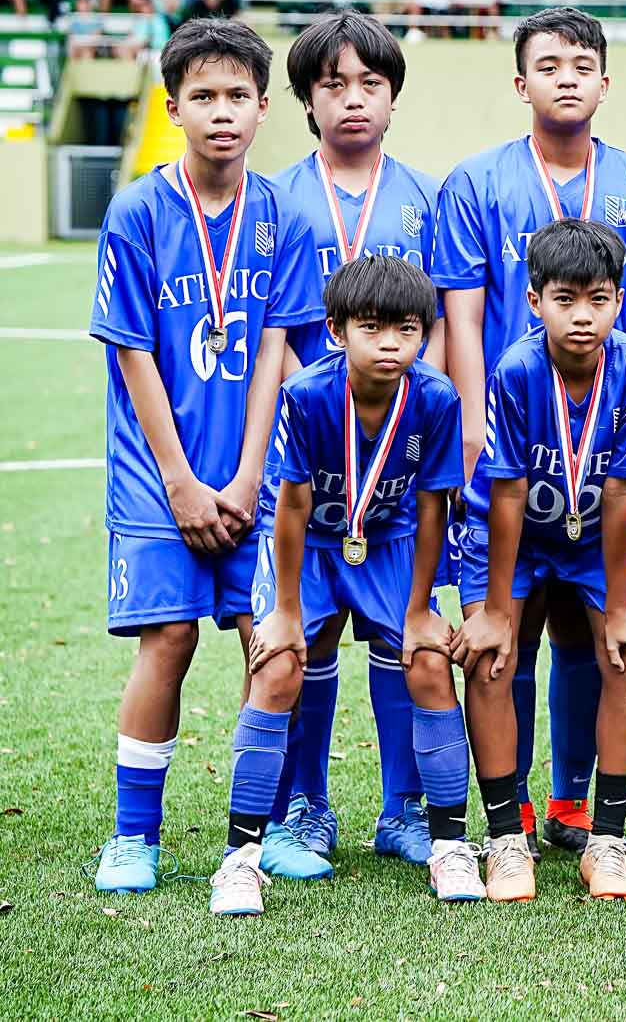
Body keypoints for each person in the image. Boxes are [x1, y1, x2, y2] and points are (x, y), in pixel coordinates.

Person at [89, 19, 323, 896]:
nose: (220, 113)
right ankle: (133, 835)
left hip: (253, 478)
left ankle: (260, 833)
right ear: (173, 106)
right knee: (169, 638)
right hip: (158, 478)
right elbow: (133, 351)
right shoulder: (138, 210)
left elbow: (272, 349)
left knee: (272, 647)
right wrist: (185, 482)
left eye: (237, 97)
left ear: (265, 108)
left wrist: (251, 476)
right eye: (203, 97)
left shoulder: (283, 217)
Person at [433, 6, 626, 858]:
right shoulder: (475, 181)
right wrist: (468, 424)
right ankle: (510, 818)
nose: (566, 76)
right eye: (548, 63)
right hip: (507, 438)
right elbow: (461, 311)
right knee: (508, 632)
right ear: (520, 80)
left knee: (587, 627)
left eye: (582, 64)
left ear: (606, 81)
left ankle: (574, 802)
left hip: (600, 437)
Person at [238, 255, 477, 911]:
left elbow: (434, 505)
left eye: (407, 328)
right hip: (310, 544)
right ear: (337, 330)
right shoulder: (308, 395)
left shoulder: (436, 397)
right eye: (372, 328)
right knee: (282, 663)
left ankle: (419, 822)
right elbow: (288, 505)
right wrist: (285, 609)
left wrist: (424, 606)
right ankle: (281, 826)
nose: (392, 344)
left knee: (427, 659)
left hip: (391, 538)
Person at [268, 11, 445, 864]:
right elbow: (273, 335)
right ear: (305, 99)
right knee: (313, 633)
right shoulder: (276, 200)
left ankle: (404, 808)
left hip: (399, 469)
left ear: (394, 97)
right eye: (332, 84)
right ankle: (305, 805)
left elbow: (439, 326)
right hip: (309, 455)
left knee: (401, 632)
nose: (352, 99)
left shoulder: (424, 198)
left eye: (370, 83)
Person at [447, 220, 626, 901]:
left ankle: (607, 840)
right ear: (533, 299)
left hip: (598, 535)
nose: (582, 315)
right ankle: (507, 837)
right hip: (509, 533)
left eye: (597, 299)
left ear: (620, 300)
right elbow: (507, 490)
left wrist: (623, 606)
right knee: (493, 655)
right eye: (564, 298)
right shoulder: (517, 369)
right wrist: (493, 612)